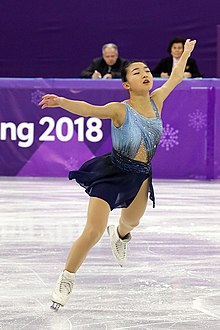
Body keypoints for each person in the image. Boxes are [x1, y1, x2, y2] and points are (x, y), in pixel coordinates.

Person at [39, 39, 196, 311]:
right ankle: (66, 279)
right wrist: (62, 101)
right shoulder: (119, 109)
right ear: (126, 84)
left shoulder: (157, 100)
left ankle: (120, 235)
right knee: (93, 231)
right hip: (112, 173)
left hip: (140, 177)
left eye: (146, 70)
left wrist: (187, 55)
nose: (145, 73)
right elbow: (89, 110)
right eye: (137, 72)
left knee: (130, 223)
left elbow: (175, 78)